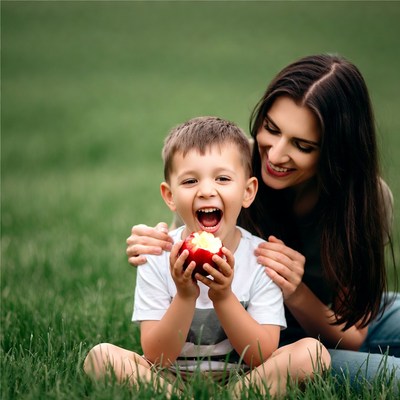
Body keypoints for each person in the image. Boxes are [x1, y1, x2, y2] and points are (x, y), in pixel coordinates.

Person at [126, 54, 400, 385]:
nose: (275, 154)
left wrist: (294, 290)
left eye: (302, 145)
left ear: (334, 152)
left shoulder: (364, 198)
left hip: (326, 319)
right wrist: (156, 240)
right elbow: (188, 241)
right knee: (387, 375)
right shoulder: (232, 169)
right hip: (261, 333)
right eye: (271, 129)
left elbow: (352, 332)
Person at [84, 116, 331, 397]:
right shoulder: (158, 254)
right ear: (170, 196)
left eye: (223, 178)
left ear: (248, 191)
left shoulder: (261, 258)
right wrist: (185, 296)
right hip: (169, 378)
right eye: (190, 181)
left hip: (244, 379)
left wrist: (224, 296)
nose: (206, 190)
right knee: (100, 357)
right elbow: (156, 355)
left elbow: (261, 355)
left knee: (313, 353)